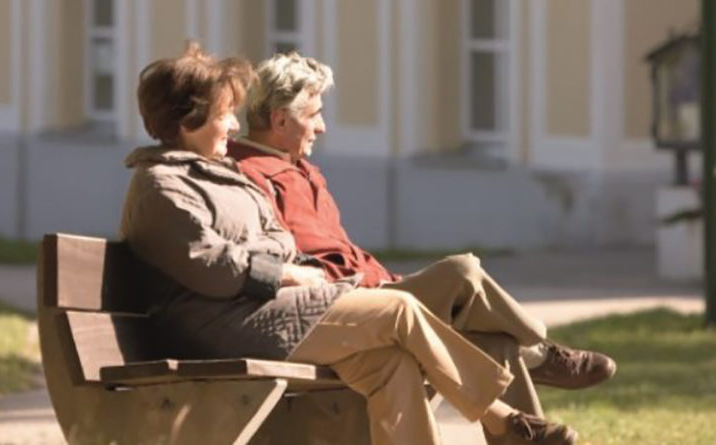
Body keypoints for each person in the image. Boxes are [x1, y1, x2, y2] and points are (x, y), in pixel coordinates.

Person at [119, 42, 579, 445]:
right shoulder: (162, 186)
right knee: (398, 311)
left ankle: (507, 415)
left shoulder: (222, 177)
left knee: (391, 363)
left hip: (258, 311)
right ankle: (501, 418)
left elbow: (275, 234)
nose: (234, 127)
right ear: (189, 120)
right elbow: (213, 267)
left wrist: (280, 261)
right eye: (224, 115)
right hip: (216, 327)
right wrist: (285, 271)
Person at [228, 52, 617, 428]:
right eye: (314, 115)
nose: (322, 126)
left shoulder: (303, 171)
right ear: (280, 120)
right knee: (462, 271)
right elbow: (294, 260)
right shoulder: (250, 177)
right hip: (345, 306)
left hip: (379, 291)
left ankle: (528, 423)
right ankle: (538, 350)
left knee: (495, 343)